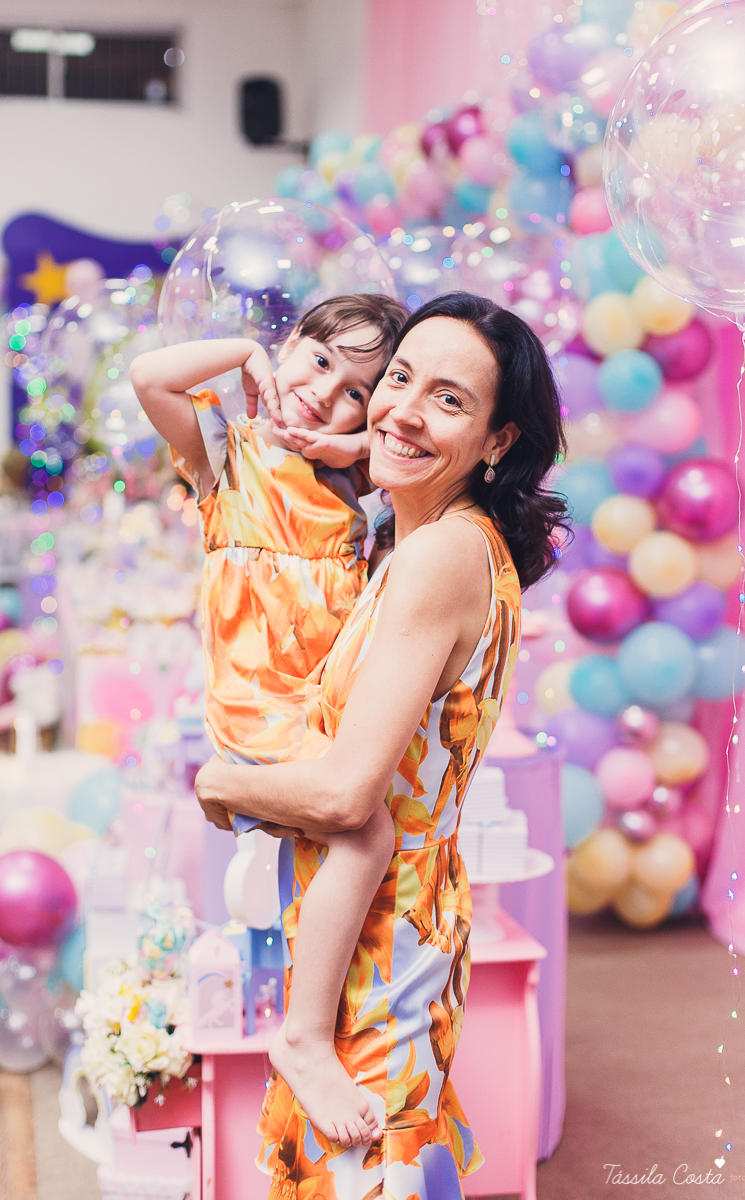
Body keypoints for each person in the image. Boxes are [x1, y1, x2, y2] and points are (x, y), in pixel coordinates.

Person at [194, 291, 568, 1198]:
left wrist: (219, 784)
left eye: (450, 399)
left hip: (380, 940)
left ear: (498, 441)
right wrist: (348, 449)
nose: (402, 410)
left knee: (363, 1176)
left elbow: (345, 797)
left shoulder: (439, 556)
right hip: (391, 922)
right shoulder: (443, 540)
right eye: (398, 379)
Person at [130, 295, 407, 1148]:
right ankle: (305, 1038)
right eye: (319, 361)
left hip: (330, 712)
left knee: (369, 842)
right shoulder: (229, 451)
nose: (327, 393)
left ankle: (321, 1019)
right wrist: (244, 351)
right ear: (287, 352)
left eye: (358, 392)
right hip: (260, 711)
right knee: (367, 832)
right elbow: (149, 377)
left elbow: (456, 478)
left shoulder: (357, 487)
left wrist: (355, 450)